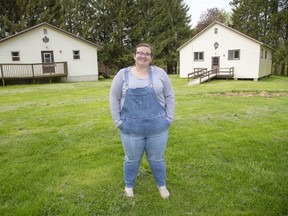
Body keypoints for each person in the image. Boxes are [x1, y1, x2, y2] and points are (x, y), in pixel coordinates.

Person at [110, 43, 175, 199]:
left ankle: (162, 185)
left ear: (151, 57)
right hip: (130, 128)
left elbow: (169, 96)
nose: (143, 56)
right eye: (140, 53)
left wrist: (169, 118)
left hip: (157, 127)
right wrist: (118, 121)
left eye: (147, 54)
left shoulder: (160, 73)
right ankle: (129, 187)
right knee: (131, 159)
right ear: (134, 55)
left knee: (157, 159)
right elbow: (114, 97)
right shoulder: (122, 74)